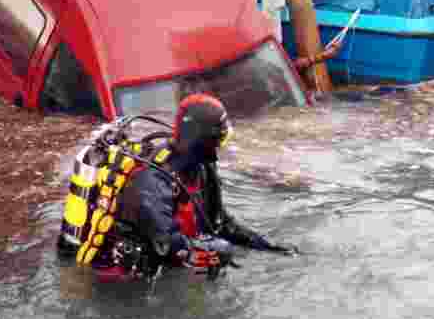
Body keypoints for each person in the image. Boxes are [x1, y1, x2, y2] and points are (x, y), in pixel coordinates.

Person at [107, 94, 296, 281]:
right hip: (129, 281)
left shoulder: (203, 166)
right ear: (202, 140)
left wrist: (269, 247)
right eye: (220, 140)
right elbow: (168, 245)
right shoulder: (153, 182)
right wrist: (212, 252)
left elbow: (220, 224)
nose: (220, 147)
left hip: (174, 262)